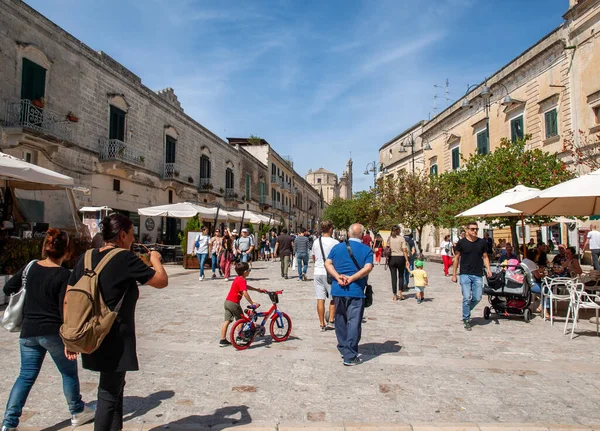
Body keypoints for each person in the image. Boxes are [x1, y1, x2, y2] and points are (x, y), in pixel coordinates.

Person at [68, 214, 168, 431]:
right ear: (122, 235)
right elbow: (161, 281)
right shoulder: (124, 258)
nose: (133, 239)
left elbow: (68, 296)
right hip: (114, 335)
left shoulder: (85, 257)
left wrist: (68, 336)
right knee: (108, 393)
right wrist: (156, 261)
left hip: (91, 330)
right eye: (132, 235)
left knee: (114, 387)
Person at [2, 229, 96, 431]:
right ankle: (77, 411)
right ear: (68, 252)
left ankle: (8, 423)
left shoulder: (30, 267)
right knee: (68, 373)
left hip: (28, 332)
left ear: (45, 247)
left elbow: (8, 288)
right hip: (53, 332)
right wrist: (70, 341)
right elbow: (66, 308)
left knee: (25, 376)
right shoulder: (64, 275)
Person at [324, 223, 374, 366]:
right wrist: (352, 278)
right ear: (362, 235)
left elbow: (328, 263)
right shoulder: (366, 250)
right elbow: (368, 267)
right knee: (354, 321)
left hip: (338, 289)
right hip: (356, 290)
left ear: (349, 234)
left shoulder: (337, 247)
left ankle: (343, 346)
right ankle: (350, 355)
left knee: (340, 319)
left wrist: (338, 276)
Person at [452, 221, 492, 331]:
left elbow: (485, 256)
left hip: (478, 273)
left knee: (478, 297)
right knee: (466, 297)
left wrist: (488, 269)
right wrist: (454, 274)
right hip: (465, 273)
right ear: (467, 230)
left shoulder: (482, 242)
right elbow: (456, 258)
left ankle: (467, 310)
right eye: (473, 229)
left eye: (476, 229)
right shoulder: (462, 243)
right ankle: (466, 319)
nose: (475, 231)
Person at [219, 262, 265, 347]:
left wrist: (257, 289)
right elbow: (245, 292)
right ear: (245, 272)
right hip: (234, 303)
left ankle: (223, 340)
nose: (249, 272)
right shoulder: (242, 280)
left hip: (227, 302)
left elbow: (245, 287)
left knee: (227, 321)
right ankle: (240, 337)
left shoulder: (238, 278)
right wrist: (252, 302)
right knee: (240, 319)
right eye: (249, 270)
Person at [311, 220, 338, 332]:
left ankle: (322, 324)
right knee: (333, 298)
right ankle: (331, 320)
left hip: (318, 272)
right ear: (331, 229)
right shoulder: (335, 243)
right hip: (330, 272)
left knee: (320, 298)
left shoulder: (316, 242)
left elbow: (313, 257)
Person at [387, 226, 409, 301]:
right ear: (398, 230)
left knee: (393, 277)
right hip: (400, 258)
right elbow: (404, 250)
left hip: (392, 258)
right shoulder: (401, 239)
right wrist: (407, 260)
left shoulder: (389, 238)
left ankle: (394, 295)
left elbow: (387, 248)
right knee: (401, 276)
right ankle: (400, 293)